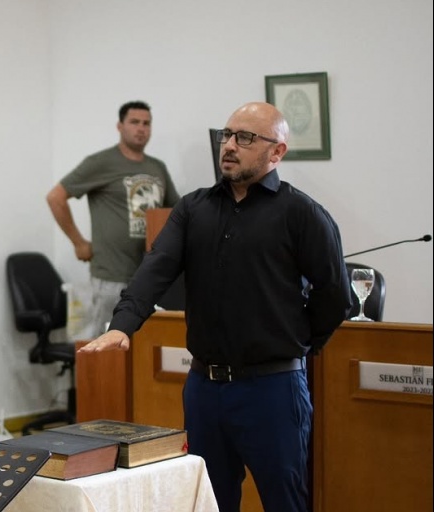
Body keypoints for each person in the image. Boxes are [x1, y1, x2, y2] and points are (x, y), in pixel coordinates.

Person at [79, 102, 352, 512]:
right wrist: (122, 324)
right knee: (209, 502)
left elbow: (335, 296)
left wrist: (295, 343)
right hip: (204, 389)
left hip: (273, 390)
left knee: (284, 501)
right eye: (227, 135)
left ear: (276, 152)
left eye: (245, 138)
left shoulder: (302, 213)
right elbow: (156, 269)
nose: (230, 145)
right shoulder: (194, 208)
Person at [46, 100, 179, 336]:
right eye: (134, 122)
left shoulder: (157, 168)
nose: (141, 128)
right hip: (111, 277)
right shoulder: (101, 162)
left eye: (146, 123)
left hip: (149, 275)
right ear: (120, 126)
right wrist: (78, 242)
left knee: (143, 347)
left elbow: (176, 211)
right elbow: (56, 197)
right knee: (106, 347)